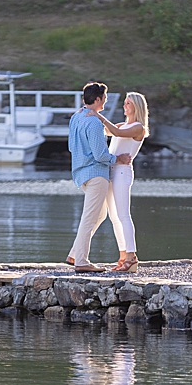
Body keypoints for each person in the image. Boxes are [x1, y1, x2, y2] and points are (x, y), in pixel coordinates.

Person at [66, 82, 131, 273]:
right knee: (89, 217)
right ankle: (81, 261)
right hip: (96, 174)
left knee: (100, 214)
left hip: (81, 172)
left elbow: (71, 146)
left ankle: (74, 254)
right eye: (104, 97)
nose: (106, 100)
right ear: (97, 99)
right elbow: (101, 155)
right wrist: (118, 158)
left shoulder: (76, 117)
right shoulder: (94, 123)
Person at [86, 92, 148, 273]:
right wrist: (89, 116)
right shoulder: (123, 124)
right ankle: (123, 256)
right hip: (111, 171)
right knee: (114, 218)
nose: (124, 105)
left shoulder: (138, 127)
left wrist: (97, 114)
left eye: (128, 103)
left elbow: (117, 132)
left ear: (136, 106)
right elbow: (107, 129)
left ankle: (131, 256)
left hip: (122, 173)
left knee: (123, 216)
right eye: (125, 102)